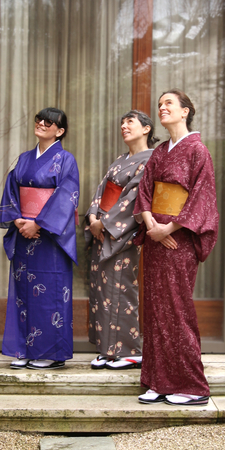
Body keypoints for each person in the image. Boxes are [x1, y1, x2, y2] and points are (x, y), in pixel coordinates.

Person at [133, 90, 219, 405]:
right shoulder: (158, 153)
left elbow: (202, 197)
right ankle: (159, 381)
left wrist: (170, 227)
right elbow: (144, 192)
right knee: (155, 310)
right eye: (160, 104)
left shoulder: (198, 151)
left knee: (177, 310)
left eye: (169, 103)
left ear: (185, 111)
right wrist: (152, 226)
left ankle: (192, 386)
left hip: (178, 243)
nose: (162, 107)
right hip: (156, 239)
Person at [0, 107, 79, 370]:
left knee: (50, 294)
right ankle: (25, 348)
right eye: (39, 119)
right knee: (24, 294)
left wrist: (39, 224)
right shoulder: (23, 159)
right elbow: (11, 190)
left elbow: (67, 195)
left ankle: (51, 354)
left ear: (60, 131)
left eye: (49, 122)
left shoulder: (66, 160)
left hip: (49, 240)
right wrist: (18, 219)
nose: (42, 123)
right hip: (24, 235)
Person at [85, 111, 157, 370]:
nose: (124, 126)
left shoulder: (150, 160)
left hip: (121, 234)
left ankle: (130, 351)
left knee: (121, 289)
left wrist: (103, 224)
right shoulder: (119, 161)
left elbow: (134, 198)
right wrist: (93, 216)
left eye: (130, 122)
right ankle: (108, 349)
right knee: (103, 290)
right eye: (122, 122)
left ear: (146, 129)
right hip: (102, 230)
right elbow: (101, 191)